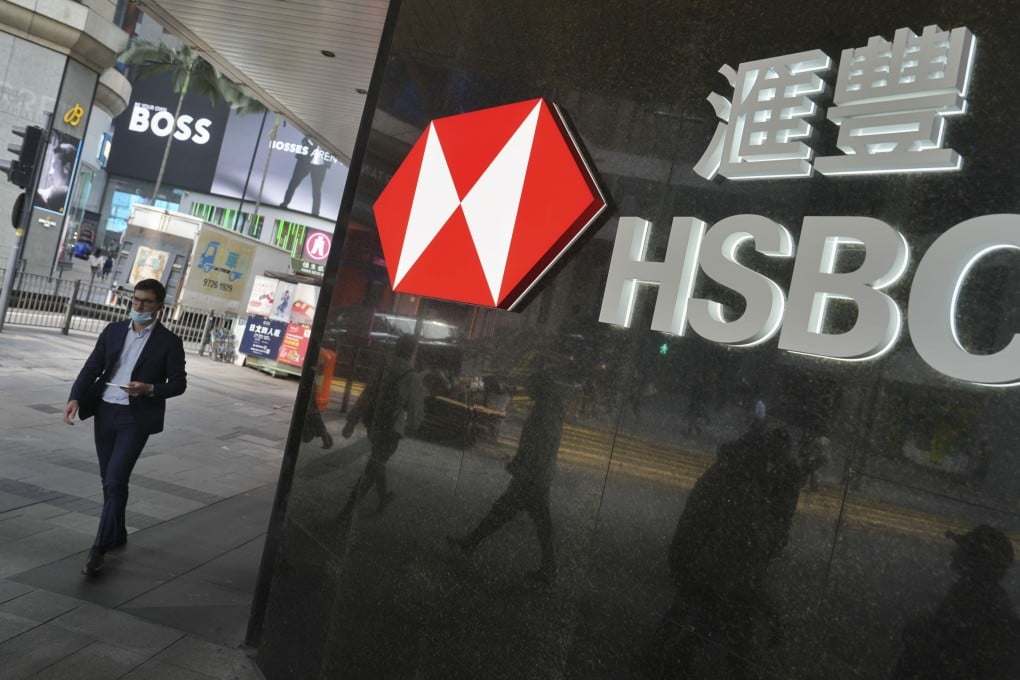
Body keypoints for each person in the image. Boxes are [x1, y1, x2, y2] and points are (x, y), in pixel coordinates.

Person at [62, 279, 187, 577]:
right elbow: (91, 367)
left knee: (116, 479)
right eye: (136, 300)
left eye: (146, 302)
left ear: (159, 307)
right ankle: (117, 531)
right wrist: (74, 397)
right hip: (105, 411)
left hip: (136, 418)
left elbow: (178, 384)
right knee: (108, 479)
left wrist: (150, 388)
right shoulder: (113, 331)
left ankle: (99, 549)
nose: (139, 306)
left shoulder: (169, 342)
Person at [447, 348, 573, 584]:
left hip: (532, 477)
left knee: (512, 513)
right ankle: (473, 543)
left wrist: (522, 467)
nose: (530, 389)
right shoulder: (547, 409)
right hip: (535, 475)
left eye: (534, 385)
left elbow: (539, 447)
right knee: (521, 516)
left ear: (542, 388)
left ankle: (547, 568)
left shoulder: (546, 413)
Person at [892, 525, 1019, 679]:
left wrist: (919, 631)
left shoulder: (973, 596)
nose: (953, 553)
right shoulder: (981, 595)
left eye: (963, 549)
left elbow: (951, 640)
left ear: (975, 560)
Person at [339, 334, 425, 520]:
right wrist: (412, 427)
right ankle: (348, 510)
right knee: (373, 467)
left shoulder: (383, 368)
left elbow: (367, 395)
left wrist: (351, 421)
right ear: (412, 353)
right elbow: (416, 413)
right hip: (392, 429)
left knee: (377, 461)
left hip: (374, 424)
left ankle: (383, 498)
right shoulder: (412, 377)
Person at [280, 136, 330, 216]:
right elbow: (306, 139)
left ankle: (315, 212)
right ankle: (285, 203)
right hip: (305, 160)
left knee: (316, 189)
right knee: (294, 183)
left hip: (320, 164)